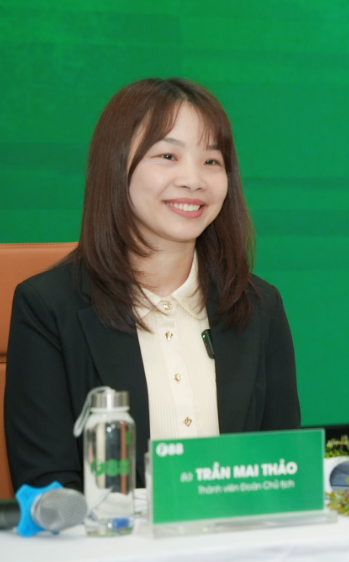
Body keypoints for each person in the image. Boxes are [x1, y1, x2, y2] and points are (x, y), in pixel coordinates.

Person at [4, 78, 300, 491]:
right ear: (115, 166)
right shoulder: (48, 307)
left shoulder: (258, 305)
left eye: (211, 161)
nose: (193, 179)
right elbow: (47, 487)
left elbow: (280, 471)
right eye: (168, 155)